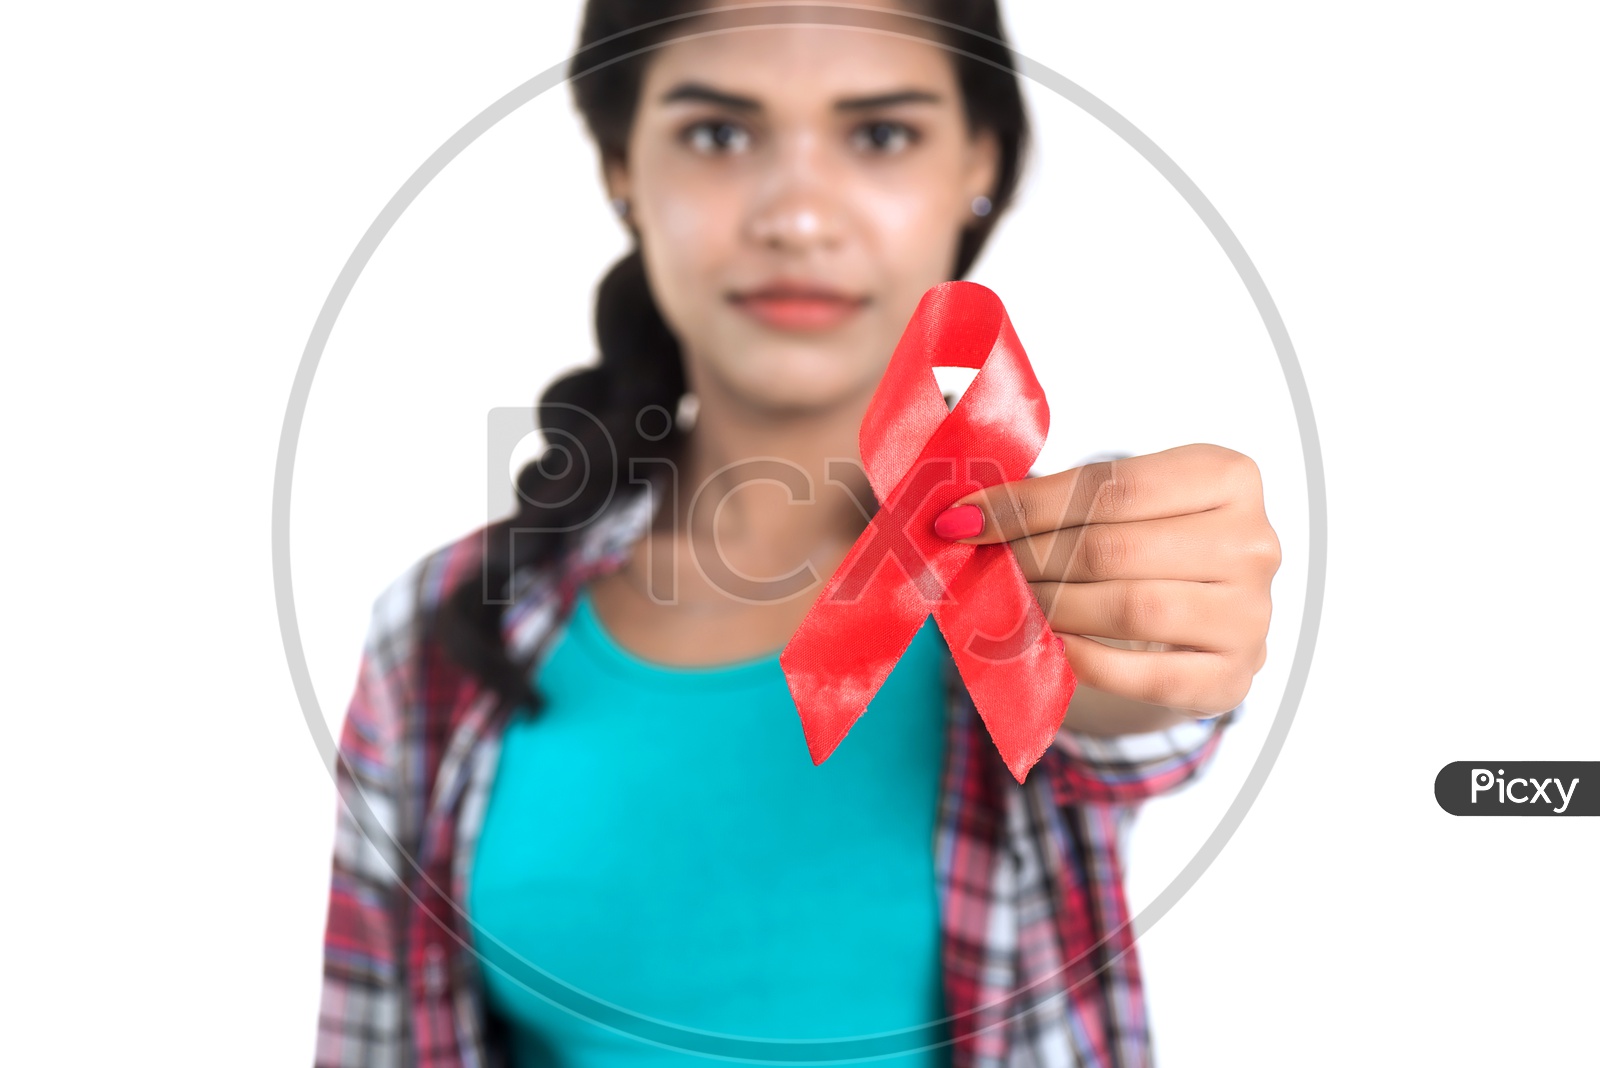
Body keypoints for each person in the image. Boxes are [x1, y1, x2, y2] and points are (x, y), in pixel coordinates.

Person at [314, 2, 1281, 1066]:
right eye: (719, 134)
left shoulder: (1042, 574)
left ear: (980, 164)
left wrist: (1165, 627)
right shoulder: (438, 631)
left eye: (879, 134)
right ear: (620, 166)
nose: (798, 216)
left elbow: (1131, 720)